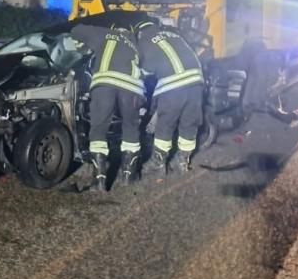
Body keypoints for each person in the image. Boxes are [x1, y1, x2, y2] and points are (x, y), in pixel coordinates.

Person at [69, 23, 146, 191]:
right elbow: (145, 69)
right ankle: (128, 176)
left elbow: (76, 30)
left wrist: (83, 45)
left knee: (98, 129)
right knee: (130, 127)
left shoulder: (102, 32)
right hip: (132, 87)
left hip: (105, 83)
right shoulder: (135, 44)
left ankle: (99, 180)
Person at [133, 16, 205, 175]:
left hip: (173, 88)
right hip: (196, 84)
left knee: (165, 126)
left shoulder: (144, 41)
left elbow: (146, 71)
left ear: (139, 33)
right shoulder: (175, 36)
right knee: (189, 125)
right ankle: (182, 163)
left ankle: (158, 164)